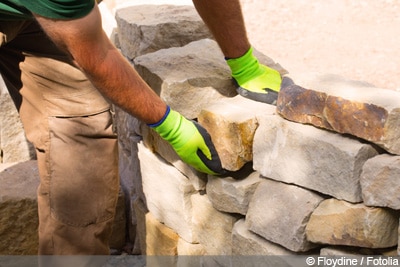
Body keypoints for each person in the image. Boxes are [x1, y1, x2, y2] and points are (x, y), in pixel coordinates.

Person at [0, 0, 282, 255]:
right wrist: (171, 126)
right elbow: (95, 57)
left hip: (51, 13)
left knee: (83, 147)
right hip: (58, 10)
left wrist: (243, 63)